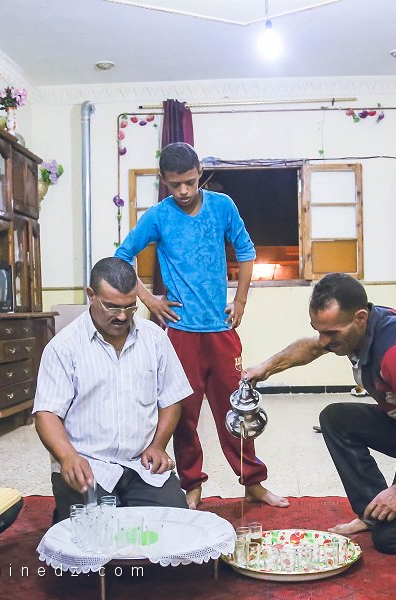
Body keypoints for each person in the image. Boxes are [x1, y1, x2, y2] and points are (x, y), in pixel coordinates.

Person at [243, 273, 396, 554]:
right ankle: (372, 513)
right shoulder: (360, 328)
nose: (324, 340)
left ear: (360, 318)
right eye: (319, 330)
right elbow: (312, 347)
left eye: (331, 334)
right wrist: (265, 368)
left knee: (390, 539)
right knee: (336, 419)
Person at [114, 142, 287, 510]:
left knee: (238, 409)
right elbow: (122, 257)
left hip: (220, 331)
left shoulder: (223, 207)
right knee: (184, 414)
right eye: (175, 184)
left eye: (190, 182)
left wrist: (240, 300)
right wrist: (150, 299)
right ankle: (192, 485)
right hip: (179, 334)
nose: (183, 191)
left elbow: (246, 252)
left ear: (201, 174)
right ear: (163, 181)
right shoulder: (159, 216)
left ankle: (253, 482)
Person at [33, 257, 194, 521]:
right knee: (87, 538)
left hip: (141, 465)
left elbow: (172, 398)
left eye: (130, 307)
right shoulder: (63, 347)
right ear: (91, 296)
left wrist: (158, 445)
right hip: (87, 465)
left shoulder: (154, 338)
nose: (122, 316)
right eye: (112, 307)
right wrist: (67, 457)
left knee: (174, 526)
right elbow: (46, 414)